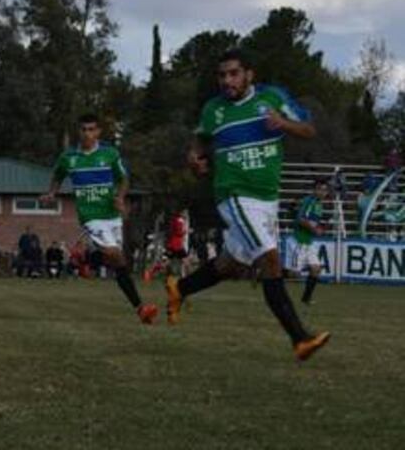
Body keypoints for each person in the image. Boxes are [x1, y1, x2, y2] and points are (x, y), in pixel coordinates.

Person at [168, 49, 330, 361]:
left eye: (233, 73)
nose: (227, 80)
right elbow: (200, 139)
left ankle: (180, 288)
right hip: (234, 195)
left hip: (267, 197)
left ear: (249, 75)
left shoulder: (272, 98)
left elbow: (309, 130)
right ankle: (300, 339)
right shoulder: (213, 109)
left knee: (232, 265)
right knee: (270, 260)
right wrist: (194, 157)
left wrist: (282, 122)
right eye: (222, 75)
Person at [42, 113, 158, 324]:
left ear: (98, 132)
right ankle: (84, 261)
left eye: (91, 129)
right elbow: (58, 175)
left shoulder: (110, 154)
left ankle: (140, 309)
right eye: (83, 130)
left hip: (112, 215)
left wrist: (120, 198)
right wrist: (52, 193)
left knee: (119, 262)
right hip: (91, 216)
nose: (87, 134)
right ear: (78, 132)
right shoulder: (69, 158)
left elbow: (123, 179)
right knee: (113, 253)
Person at [288, 178, 329, 305]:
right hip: (299, 240)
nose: (322, 192)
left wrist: (319, 228)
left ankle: (306, 298)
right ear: (314, 190)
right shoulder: (310, 201)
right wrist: (315, 230)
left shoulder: (319, 204)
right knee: (293, 274)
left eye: (324, 190)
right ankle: (264, 275)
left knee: (316, 269)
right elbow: (301, 219)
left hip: (308, 241)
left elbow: (311, 221)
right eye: (320, 189)